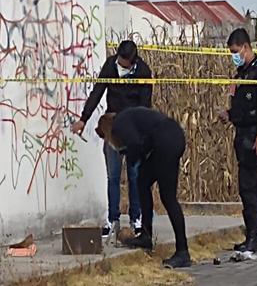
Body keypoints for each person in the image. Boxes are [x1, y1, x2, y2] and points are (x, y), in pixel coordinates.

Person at [71, 40, 153, 236]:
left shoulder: (143, 71)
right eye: (119, 61)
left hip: (133, 130)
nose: (120, 66)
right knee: (113, 176)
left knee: (135, 176)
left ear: (133, 62)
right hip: (112, 128)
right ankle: (113, 219)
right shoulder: (110, 65)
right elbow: (97, 92)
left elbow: (145, 105)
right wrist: (84, 119)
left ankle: (136, 219)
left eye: (124, 64)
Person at [95, 107, 191, 268]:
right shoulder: (127, 118)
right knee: (142, 181)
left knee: (168, 198)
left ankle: (183, 251)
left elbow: (134, 145)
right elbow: (143, 143)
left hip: (167, 141)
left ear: (107, 130)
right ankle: (146, 236)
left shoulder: (119, 126)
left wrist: (130, 156)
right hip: (170, 137)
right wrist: (134, 155)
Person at [219, 28, 257, 252]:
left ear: (245, 48)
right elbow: (242, 107)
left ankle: (254, 236)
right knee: (250, 186)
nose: (233, 55)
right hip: (243, 134)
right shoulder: (242, 73)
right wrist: (229, 115)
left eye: (235, 51)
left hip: (255, 136)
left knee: (248, 186)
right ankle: (253, 234)